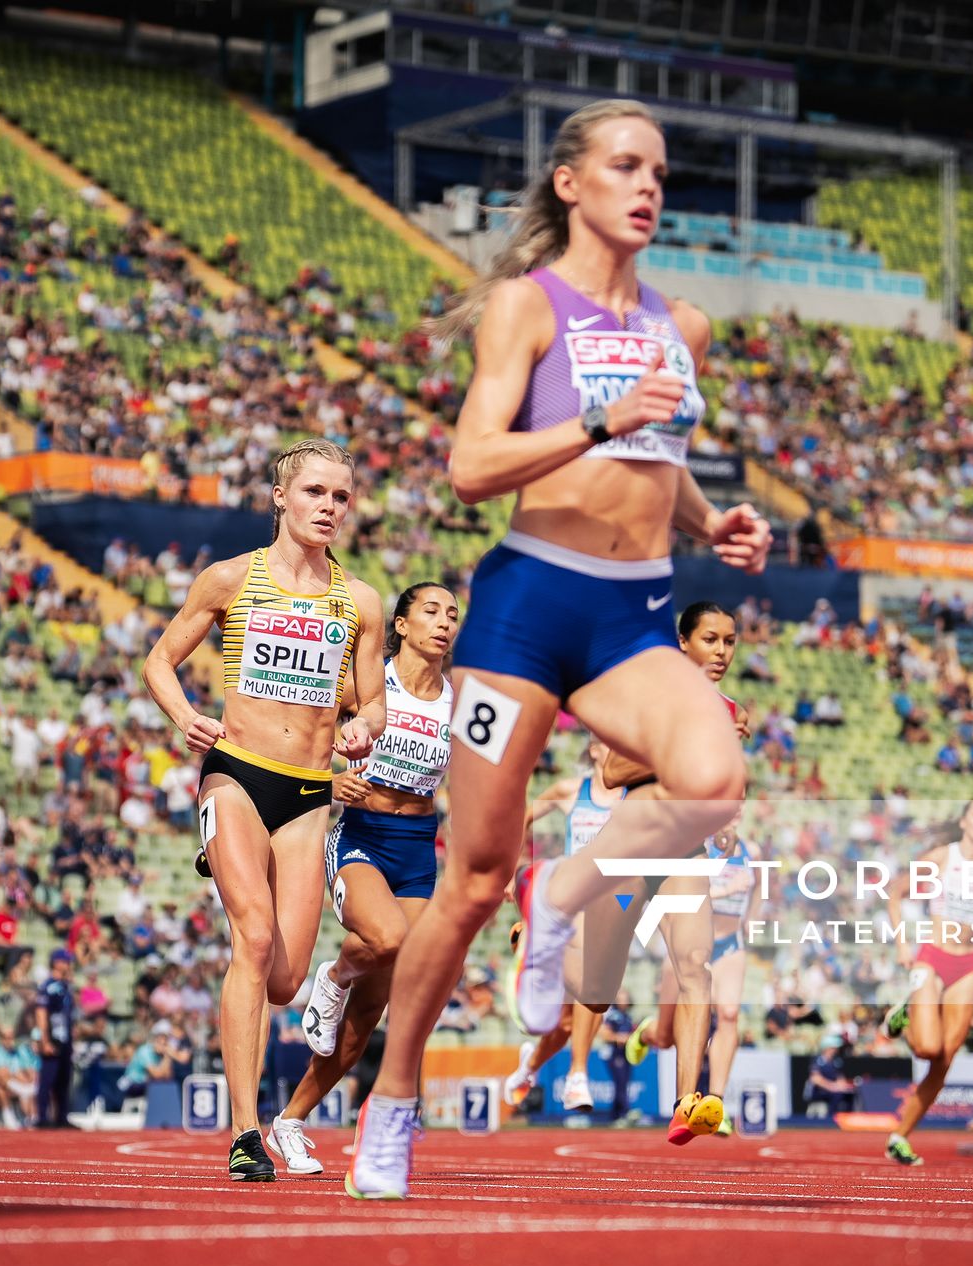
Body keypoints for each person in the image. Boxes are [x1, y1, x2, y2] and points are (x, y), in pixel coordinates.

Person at [346, 98, 769, 1201]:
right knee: (475, 875)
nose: (649, 186)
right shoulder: (525, 309)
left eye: (662, 172)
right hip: (530, 602)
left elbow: (659, 464)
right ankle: (393, 1101)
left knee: (715, 777)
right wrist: (600, 417)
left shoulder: (687, 323)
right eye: (626, 166)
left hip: (634, 611)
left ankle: (568, 898)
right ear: (572, 184)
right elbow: (472, 466)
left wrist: (707, 520)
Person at [143, 439, 386, 1182]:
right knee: (251, 936)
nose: (329, 508)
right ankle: (247, 1132)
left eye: (341, 497)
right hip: (238, 774)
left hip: (310, 793)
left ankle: (260, 1101)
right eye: (315, 492)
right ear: (281, 497)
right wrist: (184, 714)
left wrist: (364, 726)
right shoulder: (230, 579)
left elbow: (371, 697)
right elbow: (158, 659)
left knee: (284, 981)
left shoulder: (361, 601)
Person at [266, 583, 460, 1176]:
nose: (443, 623)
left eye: (453, 615)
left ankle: (291, 1120)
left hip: (418, 850)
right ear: (399, 624)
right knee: (389, 938)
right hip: (361, 837)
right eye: (430, 612)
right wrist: (327, 783)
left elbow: (489, 776)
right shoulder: (366, 682)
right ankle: (334, 972)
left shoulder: (462, 697)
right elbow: (291, 739)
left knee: (374, 1009)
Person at [620, 602, 754, 1140]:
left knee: (694, 967)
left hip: (684, 849)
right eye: (710, 639)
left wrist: (724, 816)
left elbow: (728, 785)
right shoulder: (651, 693)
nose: (721, 651)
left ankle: (686, 1104)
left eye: (729, 641)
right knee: (592, 990)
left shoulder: (731, 711)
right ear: (683, 642)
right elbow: (613, 768)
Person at [880, 798, 973, 1165]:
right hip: (933, 957)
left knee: (944, 1058)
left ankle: (899, 1137)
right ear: (964, 821)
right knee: (925, 1047)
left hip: (968, 964)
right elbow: (895, 893)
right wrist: (902, 944)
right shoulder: (944, 857)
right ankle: (905, 1013)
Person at [502, 737, 625, 1115]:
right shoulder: (572, 791)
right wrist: (512, 870)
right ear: (593, 749)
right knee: (593, 983)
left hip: (614, 904)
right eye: (608, 744)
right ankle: (577, 1075)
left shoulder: (632, 799)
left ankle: (529, 1067)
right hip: (575, 901)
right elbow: (523, 815)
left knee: (568, 1022)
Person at [34, 948, 76, 1129]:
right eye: (65, 961)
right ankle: (42, 1117)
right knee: (47, 1079)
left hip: (65, 1039)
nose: (68, 965)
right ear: (57, 962)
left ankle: (62, 1117)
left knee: (64, 1080)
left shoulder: (65, 986)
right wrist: (45, 1040)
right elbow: (41, 1013)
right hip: (53, 1037)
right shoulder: (49, 986)